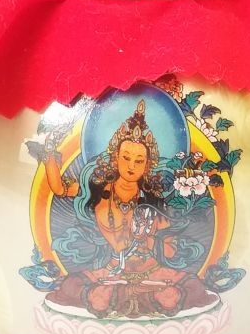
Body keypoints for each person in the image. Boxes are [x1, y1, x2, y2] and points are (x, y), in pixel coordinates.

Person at [43, 100, 218, 319]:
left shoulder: (153, 197)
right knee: (70, 286)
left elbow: (169, 246)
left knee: (194, 287)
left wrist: (153, 240)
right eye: (125, 158)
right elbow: (60, 189)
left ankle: (121, 297)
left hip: (152, 271)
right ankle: (136, 298)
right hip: (111, 271)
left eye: (139, 160)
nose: (131, 166)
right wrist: (49, 152)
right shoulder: (95, 190)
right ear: (115, 158)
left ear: (148, 164)